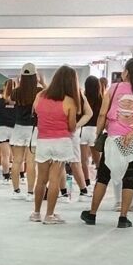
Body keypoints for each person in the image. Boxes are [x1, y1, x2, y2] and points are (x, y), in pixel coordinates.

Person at [81, 59, 133, 229]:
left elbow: (102, 114)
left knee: (103, 176)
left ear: (126, 72)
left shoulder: (114, 88)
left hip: (114, 139)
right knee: (130, 177)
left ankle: (92, 214)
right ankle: (123, 218)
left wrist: (98, 133)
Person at [29, 66, 79, 225]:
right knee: (55, 180)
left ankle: (36, 213)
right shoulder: (69, 101)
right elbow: (72, 126)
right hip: (61, 142)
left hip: (43, 141)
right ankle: (49, 215)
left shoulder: (40, 96)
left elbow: (36, 114)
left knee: (41, 179)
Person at [10, 64, 38, 199]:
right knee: (31, 162)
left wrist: (17, 84)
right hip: (33, 128)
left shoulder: (16, 92)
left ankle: (16, 191)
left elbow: (12, 98)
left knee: (17, 161)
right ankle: (30, 193)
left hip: (18, 127)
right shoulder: (39, 91)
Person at [80, 76, 102, 183]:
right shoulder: (101, 100)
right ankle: (100, 178)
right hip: (95, 130)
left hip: (83, 129)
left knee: (83, 159)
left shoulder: (82, 99)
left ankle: (86, 181)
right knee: (97, 158)